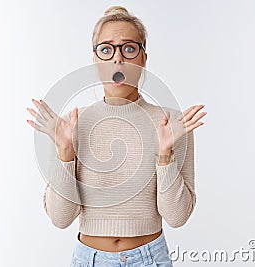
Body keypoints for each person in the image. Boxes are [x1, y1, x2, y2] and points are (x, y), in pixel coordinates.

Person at [27, 5, 206, 267]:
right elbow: (60, 218)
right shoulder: (70, 124)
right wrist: (65, 152)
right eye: (107, 49)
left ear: (143, 58)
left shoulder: (171, 123)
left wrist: (164, 155)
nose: (117, 59)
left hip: (150, 258)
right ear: (96, 59)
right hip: (89, 259)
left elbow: (177, 217)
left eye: (129, 48)